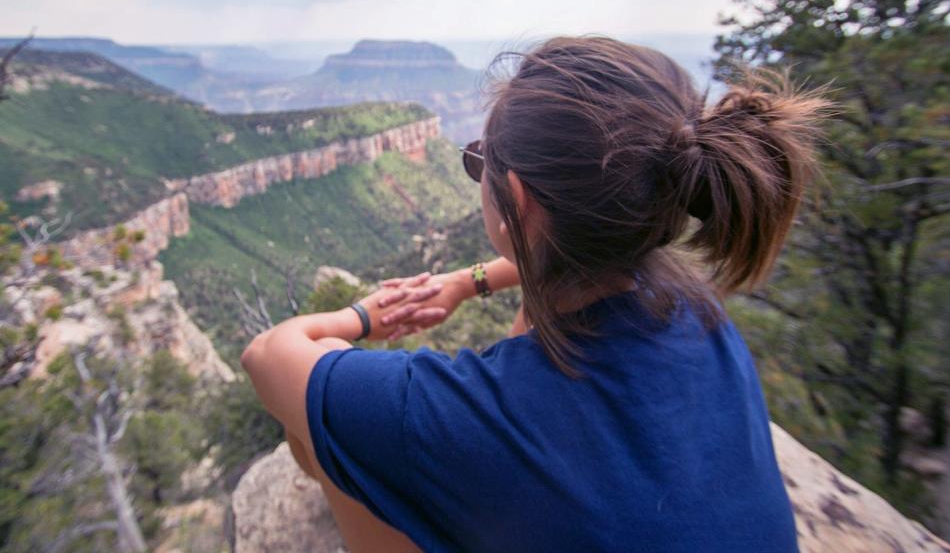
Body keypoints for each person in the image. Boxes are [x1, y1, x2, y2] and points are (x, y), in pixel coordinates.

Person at [241, 36, 829, 552]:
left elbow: (268, 356)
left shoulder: (466, 413)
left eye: (479, 162)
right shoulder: (698, 313)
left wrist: (362, 316)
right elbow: (573, 253)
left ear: (515, 199)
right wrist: (466, 282)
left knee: (325, 435)